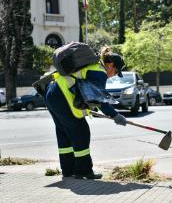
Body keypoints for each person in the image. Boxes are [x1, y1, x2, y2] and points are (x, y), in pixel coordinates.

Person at [44, 46, 127, 179]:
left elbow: (87, 94)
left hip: (51, 92)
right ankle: (83, 171)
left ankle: (68, 170)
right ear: (111, 65)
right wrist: (115, 115)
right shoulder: (99, 72)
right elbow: (100, 99)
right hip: (61, 96)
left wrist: (91, 108)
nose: (115, 75)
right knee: (81, 131)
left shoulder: (91, 66)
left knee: (64, 132)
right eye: (117, 71)